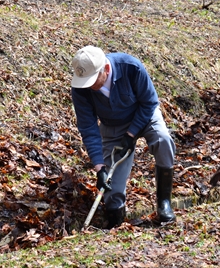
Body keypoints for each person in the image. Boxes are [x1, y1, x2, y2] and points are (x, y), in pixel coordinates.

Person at [70, 45, 176, 228]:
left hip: (144, 115)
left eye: (92, 80)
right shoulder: (80, 87)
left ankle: (163, 203)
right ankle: (116, 222)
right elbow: (88, 127)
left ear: (106, 69)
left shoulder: (131, 67)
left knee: (163, 140)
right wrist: (99, 168)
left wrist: (131, 134)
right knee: (112, 192)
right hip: (113, 126)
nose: (89, 86)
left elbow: (150, 102)